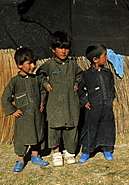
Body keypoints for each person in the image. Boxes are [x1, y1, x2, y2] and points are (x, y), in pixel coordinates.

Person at [37, 31, 83, 166]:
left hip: (70, 101)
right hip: (55, 102)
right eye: (60, 48)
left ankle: (69, 152)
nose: (64, 51)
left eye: (66, 48)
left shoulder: (73, 65)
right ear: (53, 49)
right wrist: (46, 84)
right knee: (54, 126)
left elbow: (80, 75)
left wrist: (75, 84)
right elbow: (40, 74)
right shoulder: (49, 64)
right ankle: (56, 152)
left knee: (71, 125)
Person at [1, 47, 49, 172]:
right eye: (29, 63)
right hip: (23, 117)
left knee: (37, 134)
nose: (33, 66)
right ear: (19, 65)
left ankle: (35, 156)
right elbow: (5, 97)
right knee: (21, 137)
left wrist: (42, 102)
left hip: (36, 114)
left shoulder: (36, 79)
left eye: (34, 63)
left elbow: (43, 91)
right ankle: (20, 160)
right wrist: (12, 110)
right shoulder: (15, 81)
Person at [77, 44, 116, 163]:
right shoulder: (86, 75)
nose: (107, 58)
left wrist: (110, 99)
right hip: (93, 108)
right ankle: (87, 151)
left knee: (107, 127)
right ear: (95, 59)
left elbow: (111, 88)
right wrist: (85, 101)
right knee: (91, 128)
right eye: (104, 55)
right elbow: (79, 89)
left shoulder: (108, 73)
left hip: (107, 107)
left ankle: (107, 149)